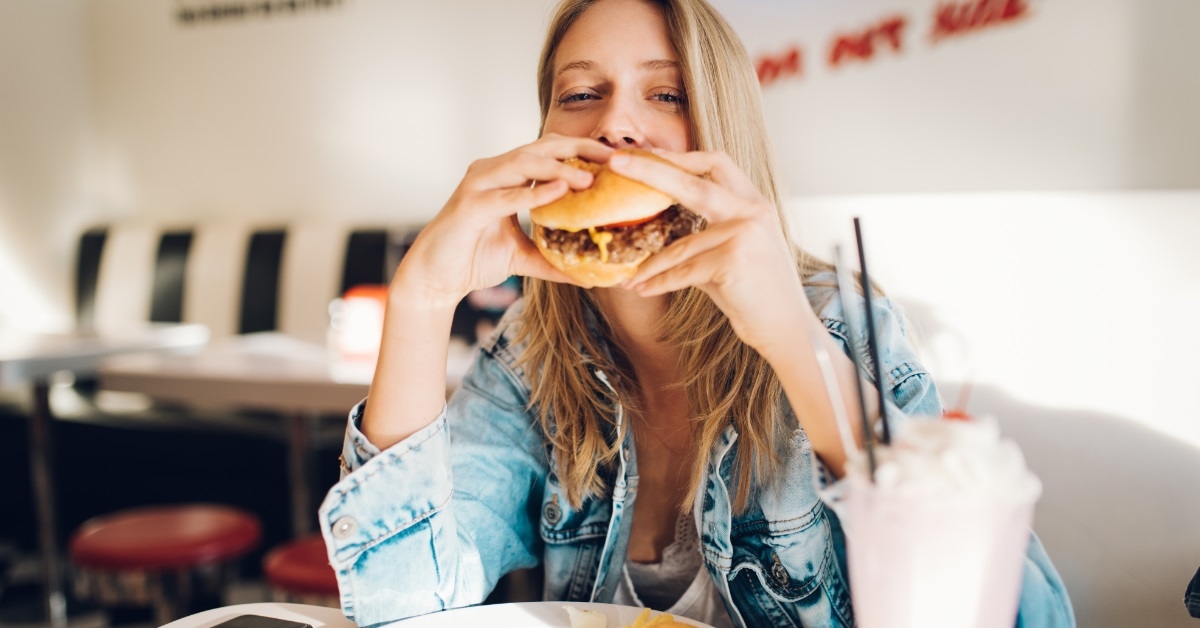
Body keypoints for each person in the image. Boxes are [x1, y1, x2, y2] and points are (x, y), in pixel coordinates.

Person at [318, 0, 1075, 626]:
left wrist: (793, 341)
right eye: (580, 94)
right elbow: (400, 605)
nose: (616, 125)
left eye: (667, 93)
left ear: (720, 131)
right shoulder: (530, 356)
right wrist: (419, 299)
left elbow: (1025, 616)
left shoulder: (838, 322)